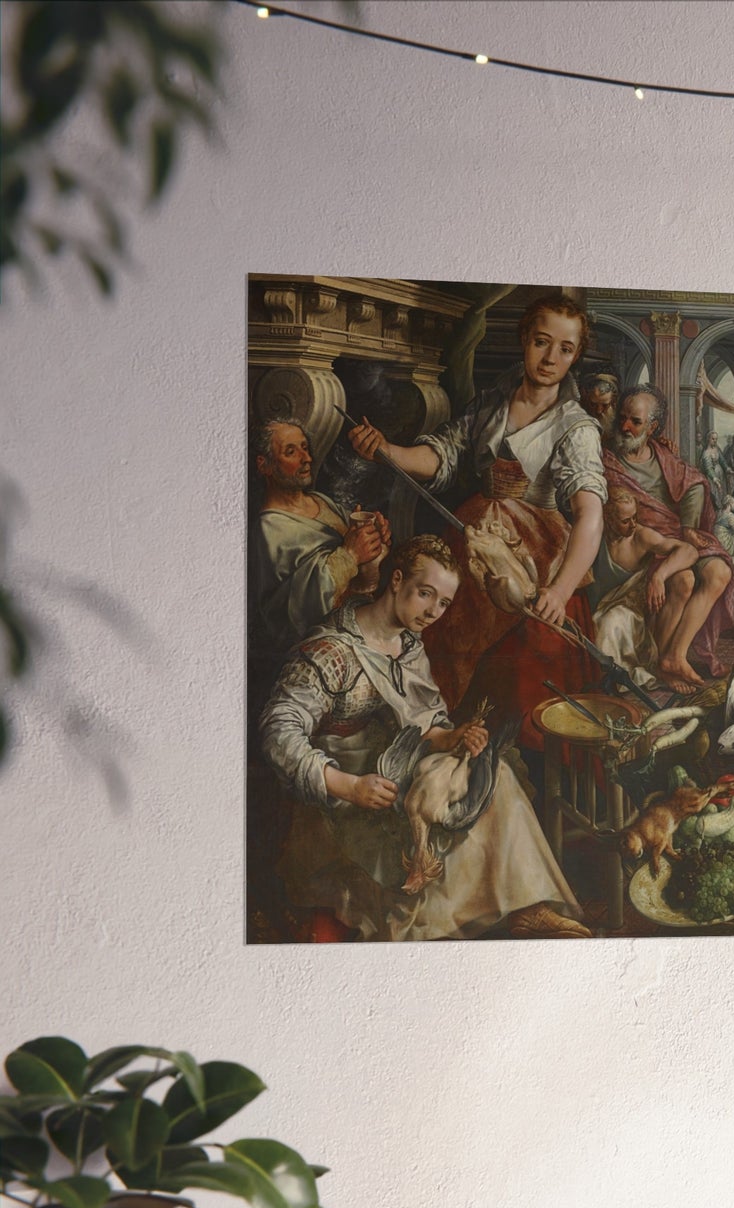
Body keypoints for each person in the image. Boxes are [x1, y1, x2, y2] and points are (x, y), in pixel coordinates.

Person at [260, 535, 588, 941]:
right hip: (344, 792)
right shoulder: (332, 651)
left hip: (396, 766)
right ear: (396, 580)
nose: (433, 611)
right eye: (425, 594)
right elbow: (278, 733)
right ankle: (440, 930)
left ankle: (529, 906)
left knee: (493, 775)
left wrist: (454, 738)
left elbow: (426, 725)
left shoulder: (409, 646)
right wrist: (349, 786)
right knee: (426, 820)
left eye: (444, 603)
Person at [347, 293, 606, 749]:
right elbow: (443, 453)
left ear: (576, 355)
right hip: (473, 543)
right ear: (524, 339)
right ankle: (436, 741)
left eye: (565, 349)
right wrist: (387, 451)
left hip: (536, 563)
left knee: (518, 678)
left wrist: (560, 592)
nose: (550, 358)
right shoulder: (493, 403)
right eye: (542, 342)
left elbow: (590, 516)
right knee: (440, 643)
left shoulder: (576, 426)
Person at [597, 384, 734, 690]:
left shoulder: (662, 454)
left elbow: (695, 482)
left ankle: (675, 655)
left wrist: (688, 526)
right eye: (623, 418)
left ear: (653, 427)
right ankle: (663, 660)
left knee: (718, 571)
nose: (625, 426)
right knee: (683, 580)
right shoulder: (607, 462)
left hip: (675, 537)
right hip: (642, 545)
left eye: (635, 421)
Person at [251, 418, 390, 656]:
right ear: (264, 465)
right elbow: (290, 614)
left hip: (364, 626)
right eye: (290, 451)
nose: (306, 458)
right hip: (322, 649)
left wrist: (376, 535)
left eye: (305, 447)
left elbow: (358, 551)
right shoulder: (268, 529)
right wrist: (351, 554)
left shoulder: (320, 500)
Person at [592, 489, 701, 690]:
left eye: (635, 517)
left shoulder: (640, 537)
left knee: (611, 622)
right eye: (626, 521)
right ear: (608, 518)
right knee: (603, 623)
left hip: (631, 611)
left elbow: (689, 551)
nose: (633, 524)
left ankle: (622, 680)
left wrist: (659, 576)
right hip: (597, 605)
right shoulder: (595, 536)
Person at [698, 429, 728, 509]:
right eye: (713, 439)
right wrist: (714, 478)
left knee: (722, 493)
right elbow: (708, 468)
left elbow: (722, 460)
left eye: (716, 439)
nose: (715, 441)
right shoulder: (706, 453)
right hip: (712, 477)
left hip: (720, 475)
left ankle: (722, 510)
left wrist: (727, 468)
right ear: (708, 439)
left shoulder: (717, 449)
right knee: (715, 494)